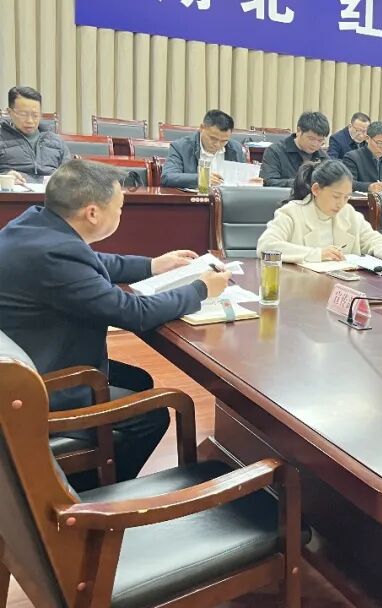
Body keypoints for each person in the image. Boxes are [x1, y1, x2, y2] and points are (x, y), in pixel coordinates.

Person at [0, 159, 230, 490]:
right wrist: (201, 290)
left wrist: (153, 265)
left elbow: (94, 262)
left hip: (33, 357)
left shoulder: (35, 225)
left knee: (138, 380)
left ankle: (98, 465)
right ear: (93, 212)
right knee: (152, 416)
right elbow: (133, 312)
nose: (122, 214)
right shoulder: (56, 255)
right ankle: (95, 492)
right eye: (120, 207)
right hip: (40, 386)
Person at [257, 159, 382, 264]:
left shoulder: (348, 213)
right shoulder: (292, 212)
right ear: (316, 189)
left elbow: (372, 239)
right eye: (336, 196)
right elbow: (266, 246)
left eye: (346, 197)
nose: (341, 203)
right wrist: (317, 254)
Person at [160, 109, 257, 189]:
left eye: (224, 141)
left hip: (227, 201)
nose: (217, 145)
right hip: (195, 201)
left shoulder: (235, 148)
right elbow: (168, 177)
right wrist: (202, 179)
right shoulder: (181, 147)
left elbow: (241, 180)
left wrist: (251, 182)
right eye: (213, 138)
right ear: (202, 128)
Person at [0, 85, 71, 183]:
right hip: (13, 191)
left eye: (35, 115)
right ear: (10, 112)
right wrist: (4, 178)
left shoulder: (56, 142)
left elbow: (71, 176)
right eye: (23, 114)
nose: (30, 120)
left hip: (50, 191)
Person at [260, 111, 330, 187]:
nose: (315, 144)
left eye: (320, 140)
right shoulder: (275, 151)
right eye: (311, 138)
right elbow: (269, 182)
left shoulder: (323, 157)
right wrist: (303, 183)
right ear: (299, 131)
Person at [342, 121, 382, 193]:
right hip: (362, 199)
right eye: (379, 143)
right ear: (367, 139)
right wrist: (369, 187)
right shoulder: (352, 157)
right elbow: (347, 183)